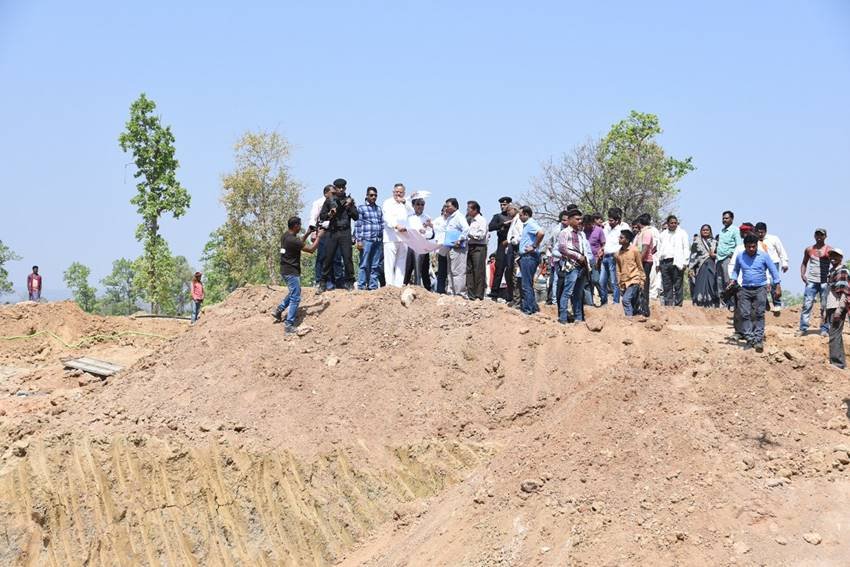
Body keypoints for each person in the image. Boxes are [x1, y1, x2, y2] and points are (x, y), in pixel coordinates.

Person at [729, 233, 782, 352]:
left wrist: (778, 285)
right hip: (745, 289)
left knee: (759, 314)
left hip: (760, 289)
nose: (751, 249)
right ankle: (749, 338)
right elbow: (736, 270)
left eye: (754, 246)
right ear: (745, 246)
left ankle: (758, 340)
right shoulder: (740, 256)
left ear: (757, 246)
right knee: (744, 314)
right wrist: (733, 280)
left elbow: (773, 271)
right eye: (749, 247)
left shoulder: (764, 256)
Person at [273, 217, 323, 333]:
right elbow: (311, 249)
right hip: (291, 271)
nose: (300, 227)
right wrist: (319, 237)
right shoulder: (292, 240)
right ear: (296, 226)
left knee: (295, 291)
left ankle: (279, 310)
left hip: (285, 270)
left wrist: (308, 233)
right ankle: (289, 325)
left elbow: (298, 243)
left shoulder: (286, 236)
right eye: (300, 225)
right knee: (295, 297)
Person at [317, 178, 358, 293]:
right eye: (338, 187)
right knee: (328, 258)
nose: (340, 189)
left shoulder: (349, 200)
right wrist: (330, 214)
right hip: (333, 231)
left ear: (345, 188)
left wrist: (350, 207)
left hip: (345, 232)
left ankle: (350, 282)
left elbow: (356, 216)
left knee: (347, 258)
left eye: (342, 187)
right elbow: (322, 217)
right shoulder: (329, 201)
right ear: (335, 188)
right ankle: (323, 283)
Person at [557, 209, 591, 324]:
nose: (580, 221)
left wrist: (586, 263)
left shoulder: (581, 234)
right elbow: (562, 249)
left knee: (578, 293)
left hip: (582, 266)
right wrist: (577, 256)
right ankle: (563, 318)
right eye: (577, 219)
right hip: (571, 265)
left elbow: (585, 249)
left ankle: (578, 318)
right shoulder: (564, 233)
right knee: (567, 291)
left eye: (580, 219)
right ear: (570, 220)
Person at [797, 228, 832, 337]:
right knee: (807, 305)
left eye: (821, 235)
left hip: (824, 282)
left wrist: (832, 277)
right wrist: (803, 274)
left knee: (824, 306)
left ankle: (824, 329)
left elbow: (835, 262)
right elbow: (804, 263)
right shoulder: (809, 249)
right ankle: (803, 328)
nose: (819, 237)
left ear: (825, 236)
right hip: (812, 281)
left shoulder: (829, 250)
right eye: (817, 235)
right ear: (814, 236)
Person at [312, 184, 343, 289]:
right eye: (332, 193)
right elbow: (314, 218)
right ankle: (318, 280)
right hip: (323, 232)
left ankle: (335, 282)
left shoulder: (337, 202)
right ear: (326, 193)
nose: (334, 194)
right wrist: (313, 232)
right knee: (322, 257)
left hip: (335, 232)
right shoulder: (318, 203)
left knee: (336, 257)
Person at [382, 183, 413, 287]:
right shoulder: (387, 202)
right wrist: (396, 225)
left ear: (404, 193)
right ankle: (390, 285)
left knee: (401, 263)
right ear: (393, 192)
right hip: (391, 237)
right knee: (389, 263)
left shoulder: (406, 203)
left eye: (400, 192)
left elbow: (412, 212)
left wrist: (404, 202)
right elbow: (387, 217)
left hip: (403, 238)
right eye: (396, 192)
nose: (398, 194)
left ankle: (398, 285)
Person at [755, 222, 789, 314]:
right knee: (762, 284)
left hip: (773, 262)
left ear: (766, 231)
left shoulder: (773, 239)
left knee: (774, 282)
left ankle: (777, 303)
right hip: (761, 264)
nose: (760, 234)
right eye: (758, 232)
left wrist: (785, 263)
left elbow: (781, 251)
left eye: (762, 232)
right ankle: (764, 303)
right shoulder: (754, 241)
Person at [403, 193, 435, 291]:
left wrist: (425, 232)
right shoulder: (409, 217)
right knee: (408, 268)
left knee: (422, 269)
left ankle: (423, 289)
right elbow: (403, 203)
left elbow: (431, 234)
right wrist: (410, 196)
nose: (420, 206)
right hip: (411, 244)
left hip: (422, 245)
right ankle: (404, 286)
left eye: (422, 204)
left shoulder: (427, 217)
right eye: (418, 204)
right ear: (413, 205)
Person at [354, 186, 384, 290]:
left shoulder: (378, 209)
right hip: (366, 240)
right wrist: (359, 240)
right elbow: (358, 225)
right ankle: (361, 286)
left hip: (377, 240)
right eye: (371, 195)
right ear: (367, 196)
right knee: (364, 264)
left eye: (375, 195)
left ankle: (373, 286)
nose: (373, 197)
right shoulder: (361, 208)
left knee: (375, 265)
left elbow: (382, 224)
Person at [657, 214, 689, 307]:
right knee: (667, 285)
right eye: (671, 223)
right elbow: (659, 249)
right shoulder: (662, 234)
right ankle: (668, 306)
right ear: (668, 224)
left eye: (675, 223)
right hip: (665, 262)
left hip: (677, 262)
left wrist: (685, 262)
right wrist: (658, 263)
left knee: (678, 285)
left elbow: (686, 248)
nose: (673, 225)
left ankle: (678, 306)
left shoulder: (682, 233)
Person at [517, 206, 545, 315]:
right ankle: (532, 307)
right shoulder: (527, 225)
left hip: (529, 257)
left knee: (526, 285)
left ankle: (528, 309)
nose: (519, 217)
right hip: (527, 257)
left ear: (526, 214)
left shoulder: (530, 224)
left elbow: (541, 233)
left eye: (520, 215)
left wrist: (534, 246)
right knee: (528, 283)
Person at [600, 208, 631, 305]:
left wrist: (619, 254)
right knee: (602, 281)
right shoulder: (606, 227)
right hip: (605, 256)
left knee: (614, 281)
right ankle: (604, 302)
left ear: (617, 220)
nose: (609, 222)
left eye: (612, 220)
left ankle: (615, 303)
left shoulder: (623, 229)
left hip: (614, 257)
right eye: (609, 220)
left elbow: (627, 242)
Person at [614, 229, 645, 317]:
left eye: (621, 238)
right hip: (624, 282)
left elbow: (639, 266)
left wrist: (642, 280)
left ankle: (629, 319)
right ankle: (634, 319)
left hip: (634, 279)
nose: (619, 239)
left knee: (625, 300)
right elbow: (618, 269)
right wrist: (619, 282)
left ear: (627, 240)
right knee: (632, 302)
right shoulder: (617, 254)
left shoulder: (634, 250)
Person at [826, 248, 848, 369]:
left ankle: (836, 364)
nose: (833, 258)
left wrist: (839, 311)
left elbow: (845, 293)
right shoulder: (833, 271)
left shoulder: (842, 271)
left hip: (837, 307)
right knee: (836, 334)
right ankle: (841, 363)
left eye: (836, 256)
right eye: (831, 256)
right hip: (831, 306)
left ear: (841, 258)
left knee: (834, 334)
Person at [488, 196, 513, 300]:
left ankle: (510, 295)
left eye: (505, 204)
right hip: (502, 244)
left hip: (512, 245)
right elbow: (490, 227)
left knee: (511, 270)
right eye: (501, 205)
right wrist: (502, 224)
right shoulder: (498, 216)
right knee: (499, 268)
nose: (502, 206)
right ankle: (494, 293)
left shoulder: (515, 217)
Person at [444, 198, 470, 297]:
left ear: (454, 206)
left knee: (458, 271)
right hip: (451, 246)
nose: (446, 208)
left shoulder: (459, 216)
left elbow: (466, 229)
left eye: (448, 206)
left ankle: (460, 293)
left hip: (458, 248)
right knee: (450, 270)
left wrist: (460, 239)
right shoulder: (450, 218)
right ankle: (452, 292)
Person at [716, 210, 742, 308]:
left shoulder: (735, 230)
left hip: (728, 259)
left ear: (732, 219)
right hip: (719, 259)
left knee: (729, 282)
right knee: (719, 281)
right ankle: (722, 303)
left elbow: (739, 245)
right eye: (723, 218)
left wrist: (733, 257)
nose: (724, 220)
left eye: (726, 218)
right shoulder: (722, 231)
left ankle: (731, 304)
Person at [688, 224, 719, 308]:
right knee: (700, 284)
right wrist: (691, 268)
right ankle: (699, 303)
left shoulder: (715, 242)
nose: (705, 231)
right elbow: (693, 256)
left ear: (710, 231)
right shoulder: (696, 242)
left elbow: (719, 254)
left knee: (711, 284)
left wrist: (714, 255)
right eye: (703, 230)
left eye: (707, 230)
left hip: (712, 266)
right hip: (700, 266)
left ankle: (711, 303)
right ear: (701, 231)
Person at [466, 200, 488, 300]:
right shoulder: (471, 221)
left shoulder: (481, 220)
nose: (467, 211)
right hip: (470, 246)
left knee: (478, 271)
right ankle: (471, 294)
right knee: (469, 271)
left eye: (469, 209)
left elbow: (481, 235)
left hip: (479, 247)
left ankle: (479, 295)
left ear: (475, 210)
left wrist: (470, 234)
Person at [635, 214, 657, 316]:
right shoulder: (641, 233)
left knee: (644, 284)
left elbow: (645, 248)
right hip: (641, 260)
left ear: (640, 223)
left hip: (645, 261)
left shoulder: (647, 232)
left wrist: (638, 262)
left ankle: (645, 309)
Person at [582, 213, 605, 306]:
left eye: (589, 224)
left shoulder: (599, 230)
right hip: (584, 260)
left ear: (592, 223)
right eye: (586, 225)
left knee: (596, 280)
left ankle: (604, 299)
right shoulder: (582, 232)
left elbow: (603, 244)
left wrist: (601, 253)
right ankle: (590, 303)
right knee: (587, 283)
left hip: (596, 260)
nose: (587, 226)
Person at [432, 204, 449, 293]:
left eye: (447, 210)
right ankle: (439, 290)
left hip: (450, 248)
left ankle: (448, 290)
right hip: (439, 249)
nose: (446, 212)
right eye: (444, 210)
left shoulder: (452, 221)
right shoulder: (437, 220)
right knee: (440, 271)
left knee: (449, 271)